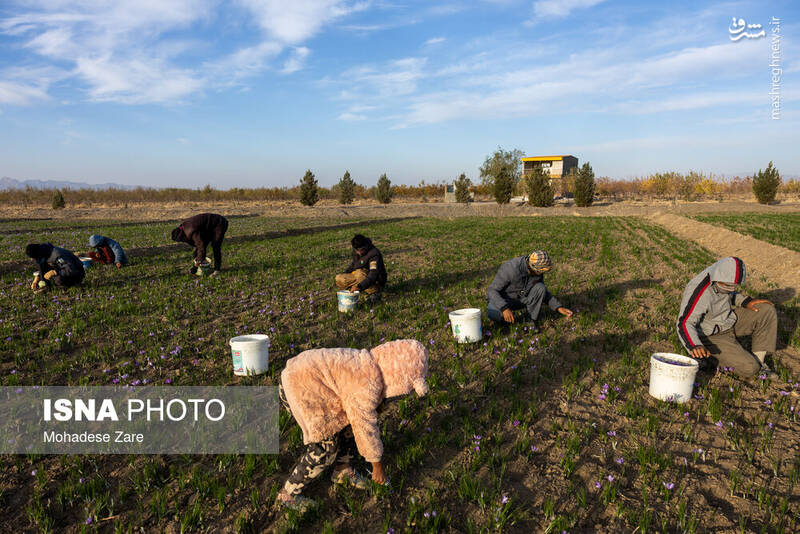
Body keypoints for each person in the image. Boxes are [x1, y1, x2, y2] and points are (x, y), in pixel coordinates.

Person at [276, 339, 428, 512]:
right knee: (325, 445)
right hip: (300, 387)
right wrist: (376, 465)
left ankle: (342, 469)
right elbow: (365, 428)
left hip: (307, 375)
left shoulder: (370, 364)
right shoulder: (366, 385)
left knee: (348, 425)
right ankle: (288, 493)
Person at [677, 257, 777, 377]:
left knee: (766, 310)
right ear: (716, 278)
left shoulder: (722, 276)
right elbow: (684, 323)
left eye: (734, 286)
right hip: (711, 336)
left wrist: (744, 301)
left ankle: (760, 363)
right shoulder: (699, 291)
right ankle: (707, 357)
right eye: (728, 286)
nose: (731, 289)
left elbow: (730, 293)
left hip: (728, 321)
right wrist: (694, 345)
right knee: (750, 368)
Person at [486, 250, 573, 332]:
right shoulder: (510, 269)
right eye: (541, 271)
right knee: (494, 314)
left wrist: (558, 307)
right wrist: (504, 308)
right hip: (505, 300)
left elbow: (543, 293)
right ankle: (505, 323)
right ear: (533, 268)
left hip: (522, 299)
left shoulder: (537, 272)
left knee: (540, 287)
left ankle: (530, 320)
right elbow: (492, 290)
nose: (542, 273)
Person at [335, 234, 387, 301]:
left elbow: (373, 274)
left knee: (360, 274)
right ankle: (351, 291)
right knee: (339, 278)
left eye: (360, 250)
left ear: (365, 247)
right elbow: (354, 265)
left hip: (375, 280)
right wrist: (345, 273)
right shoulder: (357, 252)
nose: (358, 252)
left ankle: (374, 291)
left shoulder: (374, 254)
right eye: (356, 250)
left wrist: (360, 286)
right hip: (359, 276)